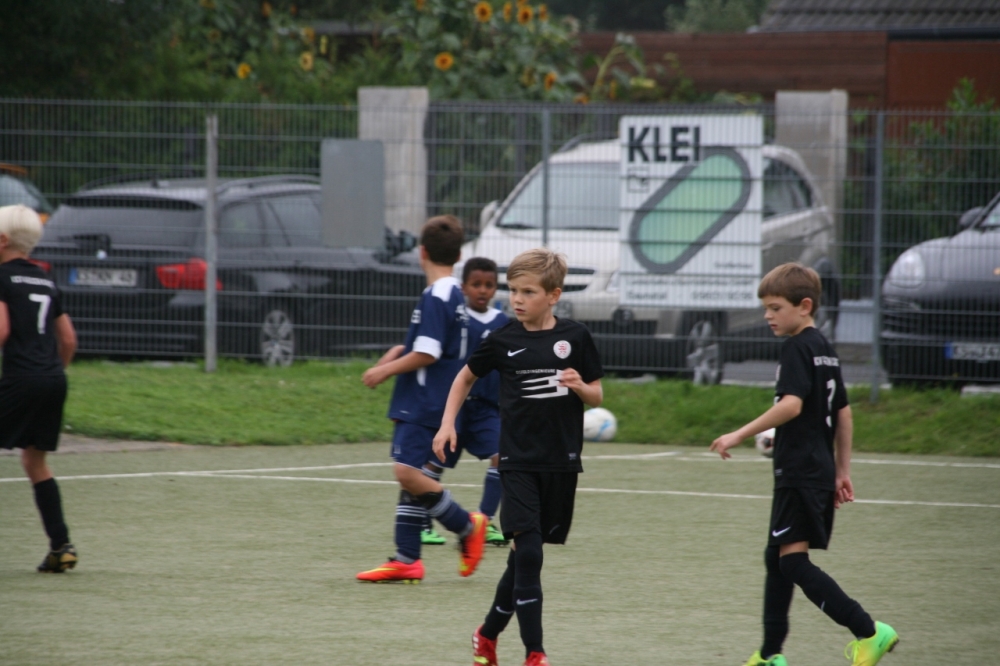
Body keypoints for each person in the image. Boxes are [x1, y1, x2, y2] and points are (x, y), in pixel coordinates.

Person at [710, 263, 898, 666]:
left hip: (800, 471)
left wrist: (738, 434)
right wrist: (842, 471)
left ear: (805, 306)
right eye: (766, 308)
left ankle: (868, 631)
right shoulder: (823, 347)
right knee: (776, 557)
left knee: (792, 562)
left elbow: (791, 405)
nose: (768, 315)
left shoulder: (797, 347)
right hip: (816, 470)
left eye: (776, 307)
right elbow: (843, 412)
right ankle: (770, 654)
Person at [433, 248, 604, 666]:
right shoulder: (502, 339)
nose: (517, 299)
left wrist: (580, 386)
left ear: (554, 295)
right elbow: (464, 378)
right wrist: (447, 423)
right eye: (513, 291)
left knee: (522, 558)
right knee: (529, 554)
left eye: (528, 292)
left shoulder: (576, 337)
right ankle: (535, 654)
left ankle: (487, 634)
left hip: (561, 462)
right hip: (517, 461)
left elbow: (597, 395)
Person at [356, 215, 488, 583]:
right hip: (441, 400)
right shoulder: (454, 295)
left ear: (422, 253)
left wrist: (384, 371)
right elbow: (438, 345)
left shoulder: (436, 295)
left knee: (407, 473)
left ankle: (467, 527)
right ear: (459, 256)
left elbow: (429, 353)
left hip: (426, 401)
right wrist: (399, 351)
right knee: (414, 478)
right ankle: (407, 559)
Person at [0, 204, 79, 573]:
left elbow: (2, 330)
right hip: (53, 380)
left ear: (2, 241)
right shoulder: (46, 280)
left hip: (21, 379)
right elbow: (69, 340)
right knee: (35, 461)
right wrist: (51, 372)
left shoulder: (1, 278)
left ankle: (61, 546)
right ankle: (61, 546)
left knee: (33, 460)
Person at [421, 257, 509, 548]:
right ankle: (422, 523)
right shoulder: (457, 319)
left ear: (495, 288)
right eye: (476, 284)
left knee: (502, 457)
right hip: (455, 408)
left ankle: (484, 521)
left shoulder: (503, 323)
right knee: (433, 463)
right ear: (464, 287)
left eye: (489, 285)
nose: (482, 290)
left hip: (486, 409)